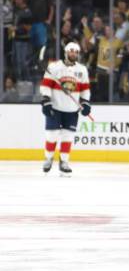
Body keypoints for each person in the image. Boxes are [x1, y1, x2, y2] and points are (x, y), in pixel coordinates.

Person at [40, 42, 91, 174]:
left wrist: (85, 103)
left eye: (76, 52)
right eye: (71, 51)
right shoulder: (54, 67)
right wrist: (46, 100)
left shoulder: (82, 70)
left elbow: (85, 89)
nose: (73, 54)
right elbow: (45, 85)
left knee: (68, 137)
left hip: (72, 110)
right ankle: (48, 158)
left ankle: (64, 161)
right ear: (66, 52)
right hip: (55, 107)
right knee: (52, 135)